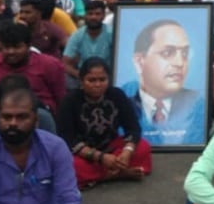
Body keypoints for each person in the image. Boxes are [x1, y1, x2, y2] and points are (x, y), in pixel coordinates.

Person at [57, 57, 151, 187]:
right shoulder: (70, 101)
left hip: (112, 147)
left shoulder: (117, 95)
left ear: (108, 80)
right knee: (70, 165)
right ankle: (117, 174)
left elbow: (133, 128)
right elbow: (67, 139)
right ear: (82, 80)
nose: (97, 85)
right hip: (84, 153)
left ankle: (101, 175)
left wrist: (127, 152)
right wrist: (100, 157)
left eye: (102, 80)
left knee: (143, 147)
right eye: (91, 80)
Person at [121, 19, 206, 146]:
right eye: (167, 53)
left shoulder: (197, 103)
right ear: (139, 61)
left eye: (185, 53)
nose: (180, 63)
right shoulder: (122, 100)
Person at [0, 23, 66, 113]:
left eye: (17, 47)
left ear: (28, 46)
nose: (11, 52)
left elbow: (61, 99)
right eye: (7, 47)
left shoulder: (50, 65)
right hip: (1, 116)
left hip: (39, 116)